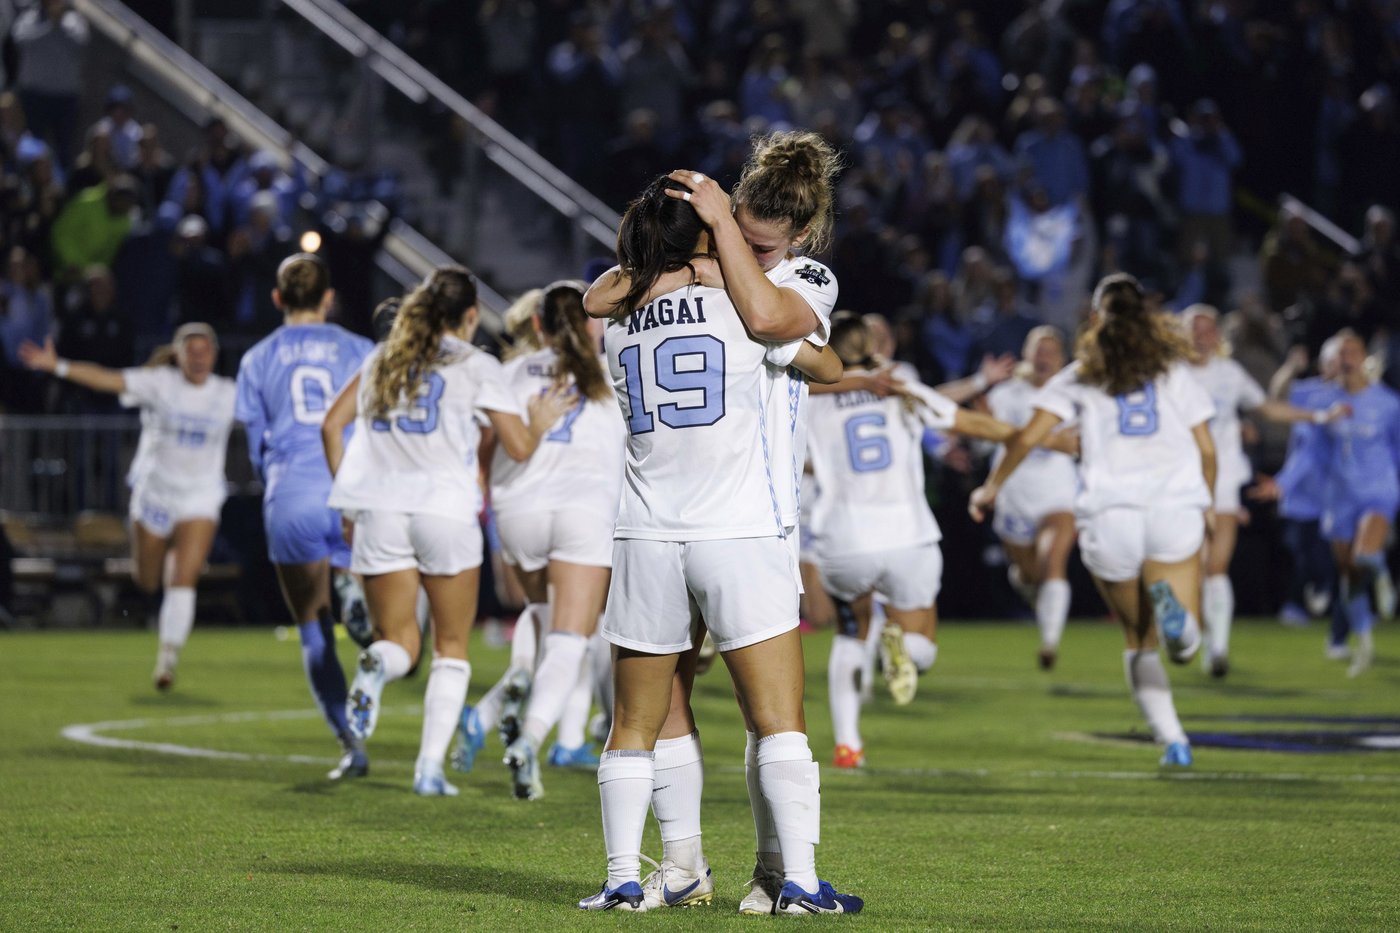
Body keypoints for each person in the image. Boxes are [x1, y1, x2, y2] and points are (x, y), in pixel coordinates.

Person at [579, 163, 858, 914]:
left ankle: (639, 874)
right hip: (741, 527)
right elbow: (816, 355)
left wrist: (668, 266)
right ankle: (792, 878)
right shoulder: (747, 304)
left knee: (643, 718)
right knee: (776, 719)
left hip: (644, 533)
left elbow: (594, 294)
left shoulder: (624, 309)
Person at [321, 265, 573, 795]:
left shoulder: (384, 356)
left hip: (379, 508)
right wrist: (540, 421)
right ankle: (428, 770)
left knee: (401, 643)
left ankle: (377, 663)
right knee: (451, 645)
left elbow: (331, 425)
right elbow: (520, 447)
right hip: (444, 510)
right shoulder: (477, 365)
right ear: (471, 315)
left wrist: (348, 499)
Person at [970, 273, 1217, 768]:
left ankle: (1174, 741)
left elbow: (1023, 438)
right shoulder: (1173, 370)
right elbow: (1207, 449)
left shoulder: (1080, 374)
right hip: (1173, 507)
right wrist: (1206, 502)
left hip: (1110, 516)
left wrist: (990, 488)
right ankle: (1181, 625)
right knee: (1186, 645)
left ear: (1096, 318)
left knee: (1136, 638)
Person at [809, 313, 1064, 768]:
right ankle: (903, 651)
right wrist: (1036, 440)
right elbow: (969, 424)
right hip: (907, 533)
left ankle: (849, 744)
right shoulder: (900, 385)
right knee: (922, 648)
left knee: (850, 633)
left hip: (842, 536)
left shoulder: (800, 392)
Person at [444, 280, 623, 798]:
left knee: (544, 619)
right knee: (572, 639)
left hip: (518, 511)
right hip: (584, 512)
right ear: (594, 323)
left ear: (537, 323)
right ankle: (531, 738)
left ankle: (488, 710)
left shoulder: (509, 371)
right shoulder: (612, 376)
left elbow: (482, 446)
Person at [20, 324, 235, 689]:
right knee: (148, 580)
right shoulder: (160, 383)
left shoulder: (228, 393)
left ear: (214, 355)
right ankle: (160, 568)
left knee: (184, 579)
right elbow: (107, 379)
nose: (199, 357)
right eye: (191, 350)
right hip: (155, 492)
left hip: (201, 494)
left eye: (205, 350)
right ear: (178, 355)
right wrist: (59, 366)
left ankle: (167, 660)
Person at [234, 254, 373, 781]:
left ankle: (350, 741)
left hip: (291, 494)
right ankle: (359, 602)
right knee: (380, 615)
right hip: (349, 489)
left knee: (312, 626)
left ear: (277, 299)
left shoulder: (256, 359)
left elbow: (254, 447)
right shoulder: (361, 349)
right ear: (328, 298)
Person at [1180, 305, 1344, 676]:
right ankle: (1195, 633)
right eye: (1194, 329)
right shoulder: (1169, 374)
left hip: (1221, 479)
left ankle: (1217, 649)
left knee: (1216, 566)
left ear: (1218, 336)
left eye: (1207, 329)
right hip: (1177, 481)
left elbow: (1268, 408)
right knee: (1193, 566)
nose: (1200, 337)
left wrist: (1318, 416)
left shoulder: (1229, 374)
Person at [1265, 331, 1400, 677]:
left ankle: (1384, 579)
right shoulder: (1323, 402)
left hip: (1377, 491)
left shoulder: (1387, 403)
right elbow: (1308, 451)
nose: (1347, 358)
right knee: (1349, 574)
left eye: (1353, 351)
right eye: (1341, 353)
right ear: (1330, 361)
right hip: (1339, 497)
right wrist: (1282, 483)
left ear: (1364, 357)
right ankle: (1363, 644)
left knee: (1365, 555)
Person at [982, 326, 1079, 669]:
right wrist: (1048, 440)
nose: (1044, 356)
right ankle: (1028, 587)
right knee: (1029, 574)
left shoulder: (1076, 395)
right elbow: (988, 436)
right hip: (1016, 495)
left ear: (1063, 359)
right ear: (1026, 355)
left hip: (1060, 492)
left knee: (1054, 562)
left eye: (1052, 351)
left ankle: (1049, 643)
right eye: (1038, 349)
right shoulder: (1006, 395)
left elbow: (1081, 443)